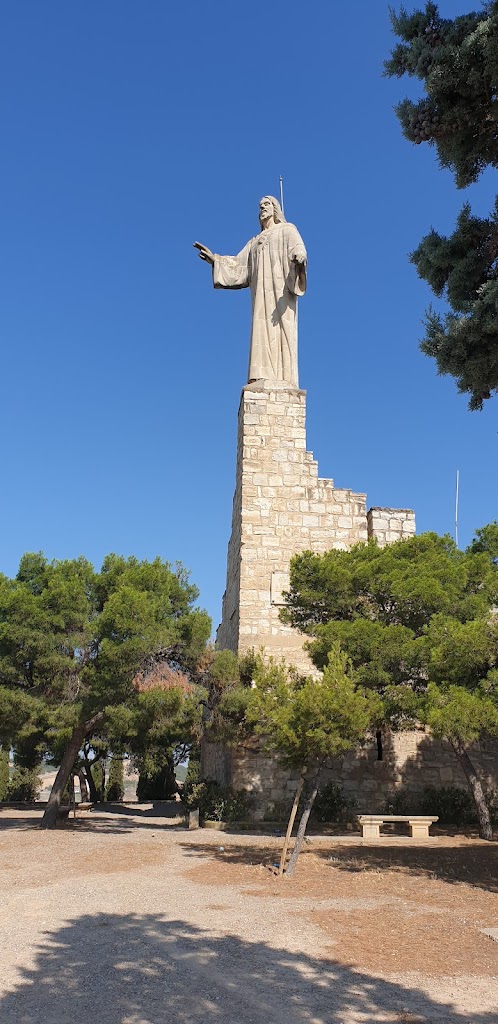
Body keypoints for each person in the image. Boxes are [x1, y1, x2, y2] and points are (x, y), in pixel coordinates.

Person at [194, 196, 306, 387]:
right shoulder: (255, 242)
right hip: (261, 296)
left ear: (275, 209)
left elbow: (298, 248)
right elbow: (239, 265)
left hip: (281, 290)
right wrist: (216, 260)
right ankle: (261, 374)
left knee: (282, 331)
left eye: (267, 204)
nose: (262, 208)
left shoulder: (287, 230)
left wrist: (300, 257)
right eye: (260, 206)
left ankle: (285, 378)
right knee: (260, 331)